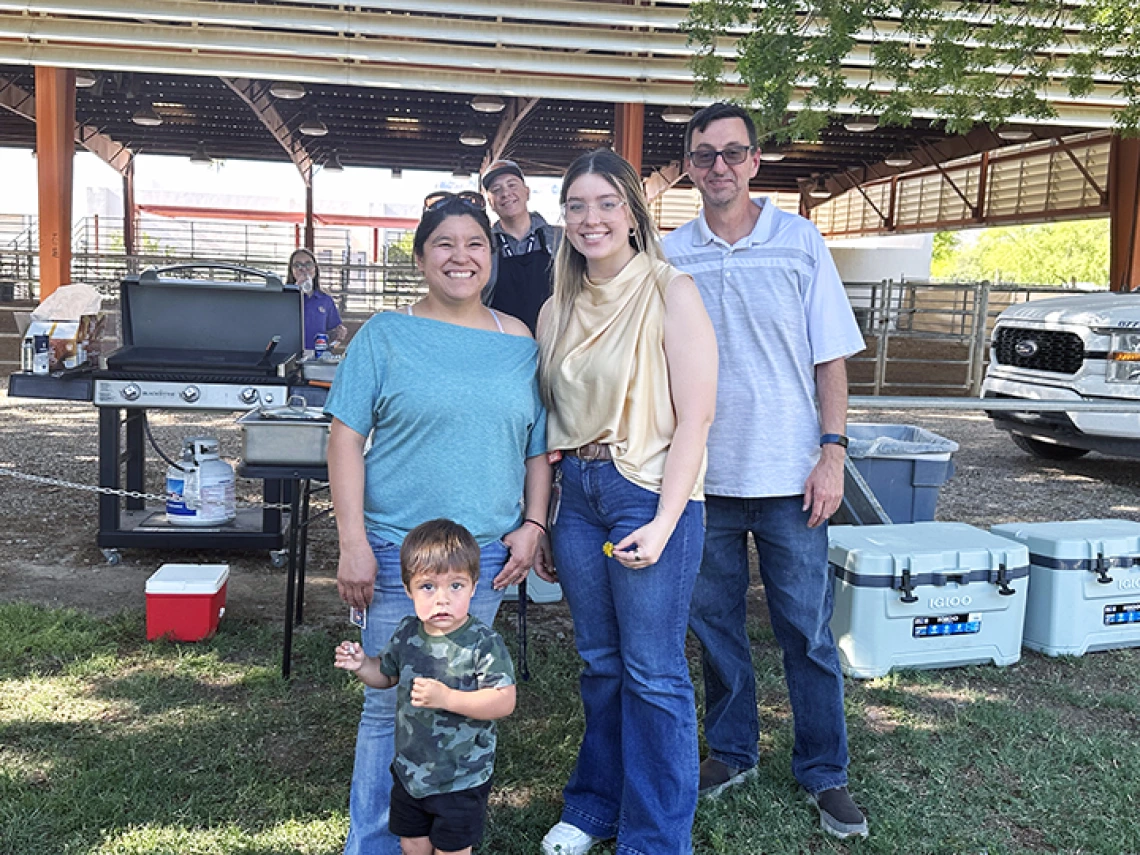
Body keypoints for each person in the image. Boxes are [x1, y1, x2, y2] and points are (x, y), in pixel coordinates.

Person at [661, 102, 869, 840]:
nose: (719, 165)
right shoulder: (668, 253)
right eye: (704, 154)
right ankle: (734, 749)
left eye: (733, 152)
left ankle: (824, 770)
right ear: (689, 166)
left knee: (805, 632)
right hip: (702, 479)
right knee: (715, 626)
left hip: (790, 475)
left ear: (755, 161)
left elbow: (830, 357)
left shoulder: (800, 241)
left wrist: (832, 451)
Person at [325, 188, 550, 855]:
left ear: (492, 255)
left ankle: (448, 832)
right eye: (445, 245)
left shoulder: (520, 342)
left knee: (461, 695)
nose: (461, 256)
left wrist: (534, 523)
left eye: (475, 243)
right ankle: (371, 844)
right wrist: (353, 542)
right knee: (387, 705)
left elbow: (537, 445)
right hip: (399, 551)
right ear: (421, 258)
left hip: (482, 556)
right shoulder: (387, 334)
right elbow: (344, 437)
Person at [536, 149, 718, 855]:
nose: (591, 218)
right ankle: (593, 806)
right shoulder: (556, 307)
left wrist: (667, 521)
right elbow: (547, 425)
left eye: (607, 203)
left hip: (646, 487)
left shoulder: (673, 290)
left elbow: (697, 417)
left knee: (653, 669)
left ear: (633, 214)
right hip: (577, 496)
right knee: (600, 662)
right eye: (577, 205)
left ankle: (655, 836)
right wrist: (547, 512)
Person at [334, 518, 517, 855]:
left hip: (461, 776)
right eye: (428, 587)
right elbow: (385, 675)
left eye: (456, 586)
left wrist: (447, 698)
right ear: (408, 590)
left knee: (451, 848)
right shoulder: (407, 633)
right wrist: (362, 665)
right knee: (412, 843)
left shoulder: (482, 643)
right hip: (410, 771)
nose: (442, 599)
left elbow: (503, 701)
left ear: (474, 586)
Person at [480, 159, 562, 335]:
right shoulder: (483, 246)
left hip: (555, 340)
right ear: (490, 202)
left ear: (527, 192)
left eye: (512, 185)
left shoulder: (560, 239)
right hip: (502, 344)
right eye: (496, 190)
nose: (505, 193)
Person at [287, 247, 349, 352]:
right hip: (289, 355)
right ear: (291, 271)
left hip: (316, 356)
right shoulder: (285, 297)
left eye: (308, 264)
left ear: (315, 269)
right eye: (297, 265)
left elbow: (332, 332)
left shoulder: (325, 300)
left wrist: (339, 334)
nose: (303, 269)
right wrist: (295, 291)